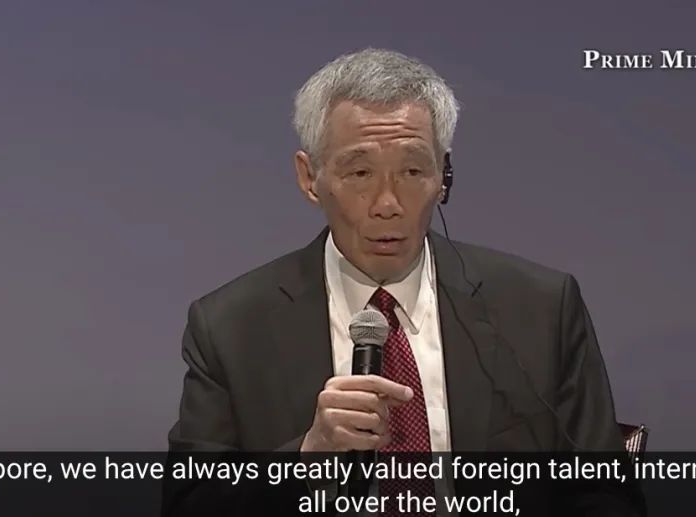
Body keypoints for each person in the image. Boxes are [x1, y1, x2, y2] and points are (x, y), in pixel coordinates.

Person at [163, 48, 643, 516]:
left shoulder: (540, 308)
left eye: (413, 171)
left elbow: (604, 493)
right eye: (360, 172)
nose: (388, 203)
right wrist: (308, 459)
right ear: (310, 178)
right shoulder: (230, 327)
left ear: (443, 176)